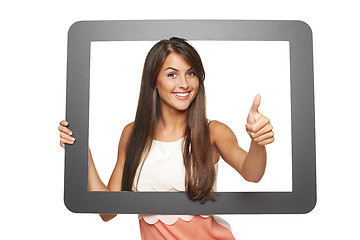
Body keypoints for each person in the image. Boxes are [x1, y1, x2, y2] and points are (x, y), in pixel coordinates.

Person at [58, 37, 274, 239]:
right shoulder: (132, 134)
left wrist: (258, 141)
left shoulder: (213, 131)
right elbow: (107, 211)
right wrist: (81, 153)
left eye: (191, 73)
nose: (184, 84)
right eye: (172, 74)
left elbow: (252, 173)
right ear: (154, 81)